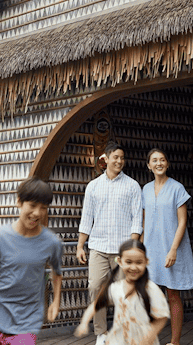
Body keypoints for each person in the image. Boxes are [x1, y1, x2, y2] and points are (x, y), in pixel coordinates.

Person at [0, 177, 63, 345]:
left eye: (43, 208)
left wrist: (56, 301)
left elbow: (57, 273)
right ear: (19, 202)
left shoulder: (52, 242)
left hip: (28, 321)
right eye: (32, 205)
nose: (37, 213)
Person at [77, 142, 144, 345]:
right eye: (116, 157)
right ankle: (102, 333)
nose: (119, 161)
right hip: (98, 246)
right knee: (96, 287)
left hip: (123, 249)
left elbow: (136, 219)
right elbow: (87, 217)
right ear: (105, 159)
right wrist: (80, 245)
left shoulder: (132, 185)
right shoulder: (93, 186)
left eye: (122, 158)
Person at [141, 148, 193, 345]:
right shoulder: (145, 190)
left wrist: (173, 249)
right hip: (150, 250)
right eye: (154, 160)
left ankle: (175, 342)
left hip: (172, 248)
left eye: (162, 160)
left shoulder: (177, 188)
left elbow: (182, 222)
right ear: (149, 166)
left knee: (173, 295)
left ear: (168, 164)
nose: (159, 163)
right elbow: (144, 221)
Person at [74, 239, 170, 345]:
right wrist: (84, 322)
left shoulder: (151, 289)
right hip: (119, 340)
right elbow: (96, 304)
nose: (133, 267)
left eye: (139, 262)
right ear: (119, 261)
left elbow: (162, 317)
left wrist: (148, 338)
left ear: (146, 261)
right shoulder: (116, 288)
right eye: (128, 262)